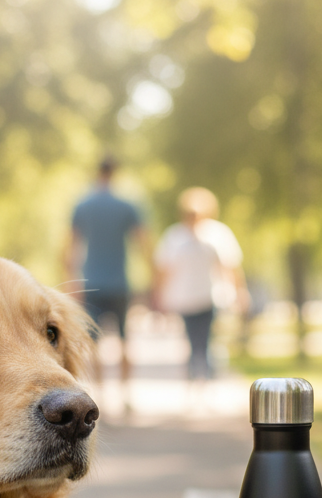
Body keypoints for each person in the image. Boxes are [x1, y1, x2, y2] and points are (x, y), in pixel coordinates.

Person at [64, 157, 152, 383]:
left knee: (93, 343)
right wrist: (153, 280)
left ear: (97, 172)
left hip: (91, 283)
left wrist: (72, 282)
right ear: (115, 173)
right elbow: (143, 244)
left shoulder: (82, 206)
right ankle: (125, 392)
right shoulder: (127, 206)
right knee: (124, 340)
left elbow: (70, 249)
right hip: (120, 283)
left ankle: (100, 393)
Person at [153, 187, 247, 380]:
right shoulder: (174, 237)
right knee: (191, 342)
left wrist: (240, 293)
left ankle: (205, 380)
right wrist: (158, 298)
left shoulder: (218, 234)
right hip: (185, 300)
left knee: (205, 343)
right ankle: (194, 381)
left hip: (210, 297)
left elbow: (231, 267)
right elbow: (164, 271)